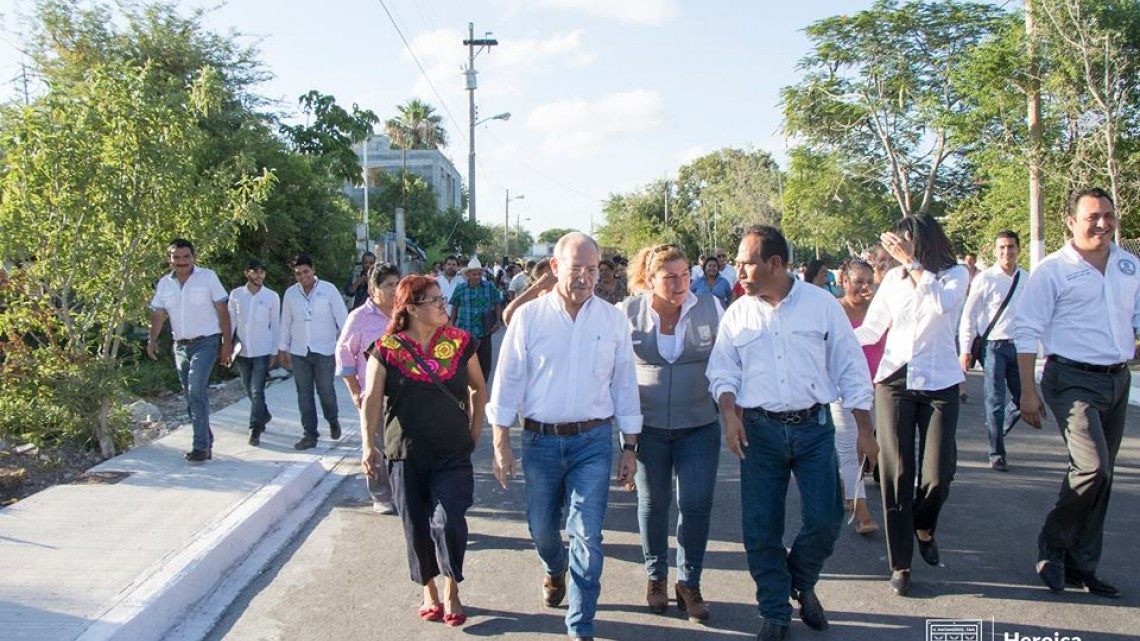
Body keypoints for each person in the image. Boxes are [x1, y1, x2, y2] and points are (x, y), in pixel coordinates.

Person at [707, 225, 876, 641]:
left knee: (827, 518)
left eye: (747, 263)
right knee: (761, 528)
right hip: (759, 433)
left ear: (775, 264)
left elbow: (851, 367)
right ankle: (776, 611)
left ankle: (800, 580)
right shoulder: (738, 312)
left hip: (814, 428)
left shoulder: (821, 306)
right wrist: (729, 414)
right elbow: (723, 370)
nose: (739, 271)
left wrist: (865, 430)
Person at [488, 232, 641, 641]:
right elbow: (508, 381)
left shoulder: (612, 320)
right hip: (539, 443)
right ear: (555, 268)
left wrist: (630, 445)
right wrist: (500, 441)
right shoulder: (529, 317)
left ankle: (581, 624)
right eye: (577, 269)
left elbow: (625, 384)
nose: (586, 278)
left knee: (588, 534)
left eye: (593, 270)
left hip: (592, 443)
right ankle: (554, 569)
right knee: (541, 529)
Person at [1015, 188, 1139, 599]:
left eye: (1108, 215)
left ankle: (1083, 566)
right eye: (1092, 217)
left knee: (1104, 477)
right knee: (1093, 467)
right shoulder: (1052, 270)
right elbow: (1027, 330)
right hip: (1071, 378)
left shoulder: (1127, 265)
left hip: (1117, 379)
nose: (1102, 223)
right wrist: (1027, 392)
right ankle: (1052, 549)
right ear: (1071, 222)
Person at [361, 275, 486, 626]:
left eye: (442, 298)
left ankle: (452, 587)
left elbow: (478, 388)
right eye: (434, 300)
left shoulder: (462, 343)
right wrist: (367, 446)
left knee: (448, 522)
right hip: (404, 452)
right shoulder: (386, 348)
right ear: (412, 309)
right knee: (415, 526)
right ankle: (429, 588)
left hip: (452, 451)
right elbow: (371, 400)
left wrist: (475, 431)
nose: (442, 305)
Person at [855, 214, 968, 597]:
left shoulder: (954, 275)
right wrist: (832, 338)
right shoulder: (893, 280)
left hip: (940, 383)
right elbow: (873, 329)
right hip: (895, 382)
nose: (898, 250)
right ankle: (901, 563)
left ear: (923, 241)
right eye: (897, 244)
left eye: (905, 242)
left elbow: (939, 305)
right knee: (896, 473)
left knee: (939, 475)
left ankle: (924, 523)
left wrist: (915, 266)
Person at [621, 244, 723, 621]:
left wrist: (733, 414)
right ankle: (656, 578)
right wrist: (625, 440)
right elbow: (613, 373)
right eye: (670, 277)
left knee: (696, 505)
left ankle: (690, 582)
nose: (681, 284)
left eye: (685, 275)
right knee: (653, 504)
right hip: (647, 430)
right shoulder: (626, 313)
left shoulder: (711, 308)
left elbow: (729, 362)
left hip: (699, 426)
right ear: (650, 280)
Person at [147, 239, 233, 462]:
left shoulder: (208, 277)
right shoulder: (165, 284)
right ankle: (206, 439)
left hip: (206, 342)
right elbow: (158, 314)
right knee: (189, 396)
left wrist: (227, 344)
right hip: (180, 347)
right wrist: (152, 340)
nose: (181, 262)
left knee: (196, 390)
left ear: (193, 257)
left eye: (186, 257)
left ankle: (200, 447)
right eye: (176, 258)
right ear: (169, 259)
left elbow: (223, 310)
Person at [958, 231, 1027, 472]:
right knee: (995, 399)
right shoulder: (985, 279)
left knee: (1022, 398)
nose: (1006, 252)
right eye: (1001, 248)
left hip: (1019, 347)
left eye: (1010, 247)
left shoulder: (1027, 279)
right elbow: (969, 315)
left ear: (1018, 249)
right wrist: (965, 350)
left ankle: (998, 426)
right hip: (993, 347)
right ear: (995, 251)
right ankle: (996, 452)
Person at [337, 263, 400, 513]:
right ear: (373, 289)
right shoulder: (359, 318)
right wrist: (354, 390)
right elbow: (344, 355)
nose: (395, 290)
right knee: (375, 445)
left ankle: (405, 490)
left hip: (406, 393)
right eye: (389, 285)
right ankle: (381, 494)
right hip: (374, 394)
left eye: (398, 284)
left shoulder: (406, 314)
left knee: (402, 445)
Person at [829, 259, 884, 535]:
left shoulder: (880, 312)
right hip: (841, 391)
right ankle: (863, 513)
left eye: (869, 282)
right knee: (849, 450)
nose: (865, 288)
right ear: (844, 282)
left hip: (878, 389)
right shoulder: (832, 311)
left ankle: (851, 488)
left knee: (870, 446)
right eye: (858, 281)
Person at [279, 255, 348, 450]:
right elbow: (285, 322)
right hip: (300, 350)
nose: (303, 276)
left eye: (306, 271)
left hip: (325, 349)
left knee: (325, 389)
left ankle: (332, 419)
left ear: (313, 269)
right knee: (304, 393)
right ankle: (310, 434)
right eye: (298, 273)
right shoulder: (291, 294)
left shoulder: (328, 290)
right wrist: (282, 348)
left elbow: (342, 319)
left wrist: (345, 346)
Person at [227, 258, 280, 446]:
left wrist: (275, 351)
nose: (259, 275)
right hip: (242, 351)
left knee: (257, 390)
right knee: (248, 388)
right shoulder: (236, 295)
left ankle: (255, 428)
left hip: (262, 349)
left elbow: (275, 325)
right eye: (255, 271)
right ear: (246, 273)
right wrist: (226, 346)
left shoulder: (271, 296)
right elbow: (231, 322)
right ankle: (263, 414)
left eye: (262, 272)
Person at [449, 258, 502, 379]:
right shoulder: (460, 288)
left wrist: (498, 321)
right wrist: (451, 324)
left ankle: (482, 387)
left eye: (479, 273)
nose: (477, 276)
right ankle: (466, 388)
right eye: (474, 274)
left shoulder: (489, 287)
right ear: (468, 274)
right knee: (464, 362)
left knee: (484, 362)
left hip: (484, 331)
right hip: (465, 331)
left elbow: (497, 302)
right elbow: (455, 306)